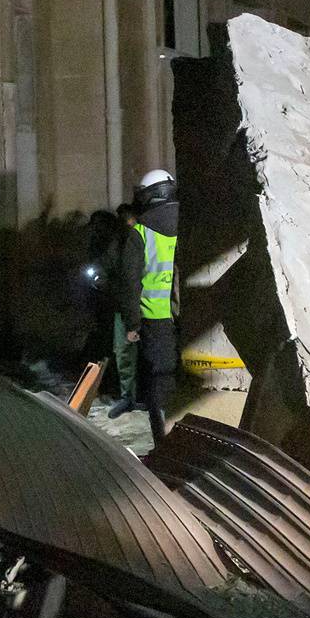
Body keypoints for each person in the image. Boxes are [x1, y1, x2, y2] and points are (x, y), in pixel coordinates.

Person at [119, 170, 179, 444]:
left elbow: (130, 283)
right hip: (189, 318)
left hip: (155, 322)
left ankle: (165, 443)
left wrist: (132, 324)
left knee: (158, 384)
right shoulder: (191, 221)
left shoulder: (140, 232)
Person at [101, 203, 143, 418]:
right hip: (126, 304)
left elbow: (131, 280)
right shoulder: (120, 240)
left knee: (131, 352)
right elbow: (116, 273)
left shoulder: (136, 238)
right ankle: (130, 397)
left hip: (138, 304)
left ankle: (135, 397)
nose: (127, 222)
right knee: (124, 352)